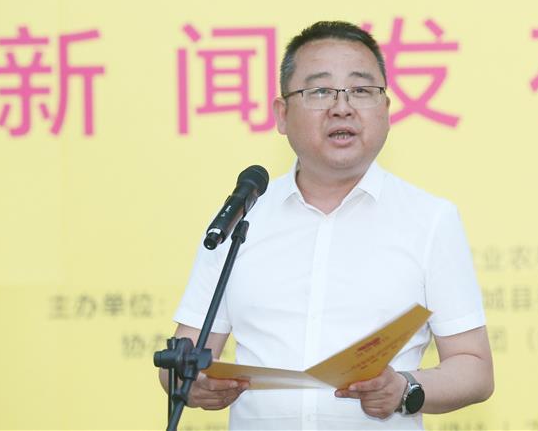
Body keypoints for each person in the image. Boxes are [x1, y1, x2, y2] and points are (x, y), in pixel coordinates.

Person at [159, 21, 494, 430]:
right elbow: (180, 358)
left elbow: (474, 367)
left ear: (386, 110)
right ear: (282, 114)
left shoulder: (430, 219)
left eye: (361, 90)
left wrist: (405, 388)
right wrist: (194, 385)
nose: (342, 107)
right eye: (320, 91)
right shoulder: (242, 216)